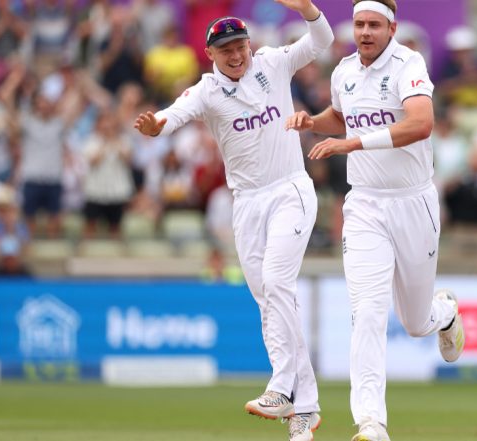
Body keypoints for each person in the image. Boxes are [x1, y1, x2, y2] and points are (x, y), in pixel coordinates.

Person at [133, 2, 333, 440]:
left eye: (241, 45)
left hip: (290, 190)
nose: (236, 55)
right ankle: (307, 408)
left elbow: (323, 42)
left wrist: (308, 9)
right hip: (247, 204)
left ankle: (281, 388)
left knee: (279, 285)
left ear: (250, 44)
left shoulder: (273, 63)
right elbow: (173, 114)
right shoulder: (206, 90)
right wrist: (155, 126)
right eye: (226, 50)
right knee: (270, 301)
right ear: (211, 54)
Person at [284, 1, 465, 440]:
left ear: (391, 28)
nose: (365, 32)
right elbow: (341, 118)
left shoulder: (409, 63)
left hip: (413, 202)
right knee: (366, 312)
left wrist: (352, 145)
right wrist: (314, 122)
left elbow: (421, 124)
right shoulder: (344, 70)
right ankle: (371, 423)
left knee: (415, 321)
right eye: (360, 25)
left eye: (374, 25)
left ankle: (445, 314)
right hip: (364, 205)